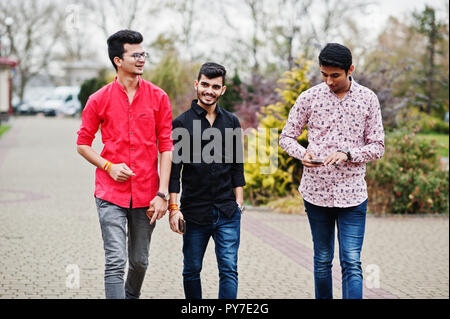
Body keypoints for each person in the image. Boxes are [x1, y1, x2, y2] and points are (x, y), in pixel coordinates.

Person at [279, 43, 385, 299]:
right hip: (316, 193)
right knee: (322, 259)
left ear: (350, 70)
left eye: (334, 75)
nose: (328, 81)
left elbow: (378, 146)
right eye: (324, 74)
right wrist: (302, 153)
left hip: (353, 195)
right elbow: (286, 137)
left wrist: (349, 154)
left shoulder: (368, 98)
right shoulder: (309, 97)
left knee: (350, 261)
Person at [76, 30, 173, 299]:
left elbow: (166, 146)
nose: (142, 59)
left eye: (144, 54)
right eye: (136, 54)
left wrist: (162, 193)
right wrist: (109, 166)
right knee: (115, 261)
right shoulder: (99, 99)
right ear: (118, 60)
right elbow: (82, 143)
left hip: (147, 195)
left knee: (140, 261)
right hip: (110, 193)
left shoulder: (159, 97)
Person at [168, 62, 246, 299]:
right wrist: (174, 208)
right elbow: (174, 170)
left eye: (215, 86)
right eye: (205, 85)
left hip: (227, 212)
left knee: (229, 270)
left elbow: (237, 166)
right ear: (196, 85)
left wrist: (239, 203)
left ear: (223, 90)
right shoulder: (181, 123)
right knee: (192, 270)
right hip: (194, 211)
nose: (209, 90)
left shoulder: (231, 122)